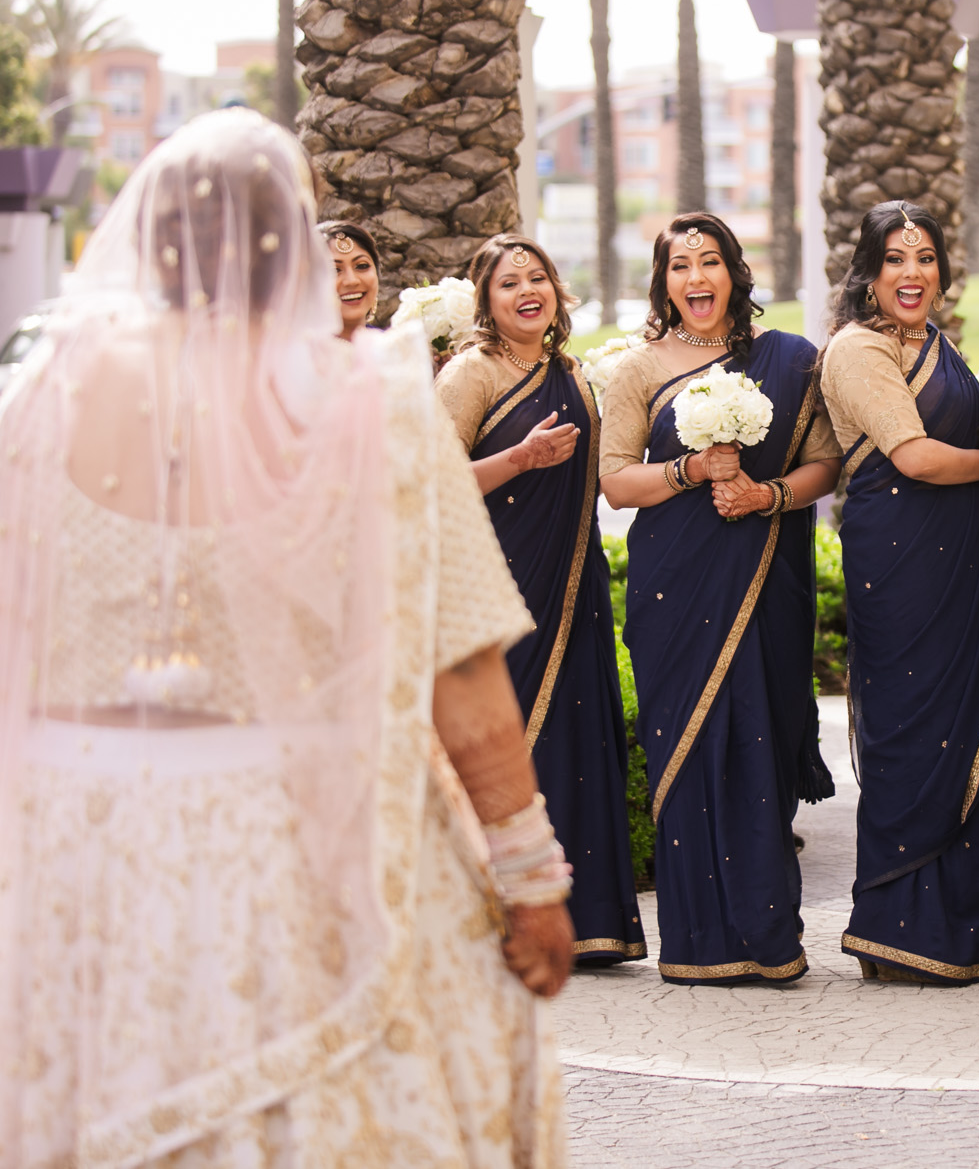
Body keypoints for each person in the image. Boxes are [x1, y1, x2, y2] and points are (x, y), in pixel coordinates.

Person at [0, 109, 573, 1164]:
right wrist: (530, 876)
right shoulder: (368, 403)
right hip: (298, 848)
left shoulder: (36, 404)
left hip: (87, 856)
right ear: (289, 239)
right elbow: (459, 657)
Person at [598, 212, 841, 984]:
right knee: (690, 746)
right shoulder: (637, 368)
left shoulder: (791, 359)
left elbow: (825, 464)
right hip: (676, 585)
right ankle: (700, 941)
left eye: (710, 262)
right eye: (679, 265)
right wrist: (690, 472)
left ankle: (769, 935)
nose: (696, 278)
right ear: (663, 281)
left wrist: (766, 494)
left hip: (766, 583)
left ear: (736, 272)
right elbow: (613, 479)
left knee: (759, 742)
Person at [438, 234, 645, 967]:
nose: (527, 290)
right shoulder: (472, 373)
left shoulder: (575, 373)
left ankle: (588, 918)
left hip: (574, 582)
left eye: (537, 277)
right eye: (508, 282)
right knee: (511, 731)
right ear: (486, 301)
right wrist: (519, 457)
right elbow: (430, 480)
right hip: (500, 584)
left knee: (576, 736)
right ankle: (490, 911)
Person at [821, 201, 979, 984]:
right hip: (898, 559)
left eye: (925, 257)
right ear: (868, 271)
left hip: (959, 556)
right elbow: (918, 457)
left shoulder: (936, 344)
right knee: (910, 724)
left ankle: (969, 924)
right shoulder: (857, 350)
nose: (912, 273)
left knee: (965, 719)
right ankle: (900, 927)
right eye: (895, 258)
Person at [324, 219, 380, 340]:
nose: (351, 281)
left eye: (362, 266)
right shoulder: (295, 354)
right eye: (334, 270)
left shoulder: (394, 348)